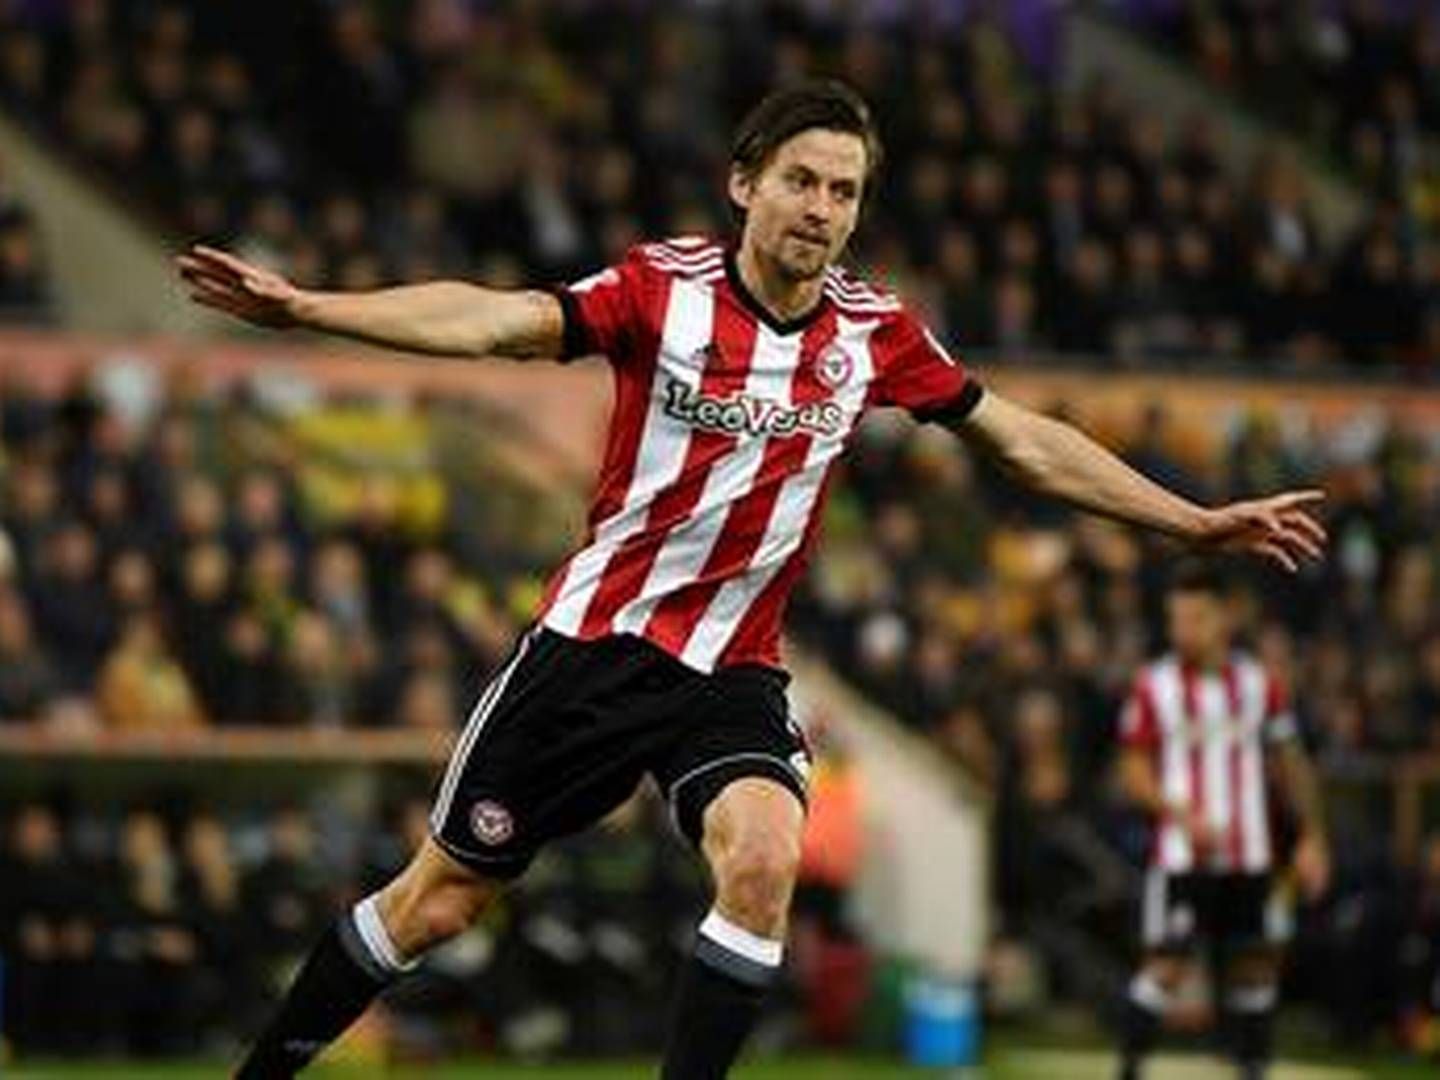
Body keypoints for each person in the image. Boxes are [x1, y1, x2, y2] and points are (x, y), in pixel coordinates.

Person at [177, 80, 1326, 1079]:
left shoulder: (875, 334)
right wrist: (308, 308)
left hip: (732, 670)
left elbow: (1020, 437)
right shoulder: (659, 291)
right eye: (803, 182)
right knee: (438, 904)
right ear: (745, 186)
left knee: (767, 858)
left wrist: (1191, 522)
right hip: (591, 653)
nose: (823, 210)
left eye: (845, 191)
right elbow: (497, 322)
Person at [1115, 562, 1330, 1080]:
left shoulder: (1259, 685)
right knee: (1164, 966)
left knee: (1255, 967)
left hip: (1250, 854)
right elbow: (1133, 771)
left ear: (1223, 620)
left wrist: (1311, 838)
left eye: (1194, 619)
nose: (1182, 632)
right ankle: (1127, 1070)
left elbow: (1290, 766)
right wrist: (1178, 812)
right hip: (1182, 857)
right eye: (1176, 620)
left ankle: (1253, 1071)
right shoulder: (1155, 686)